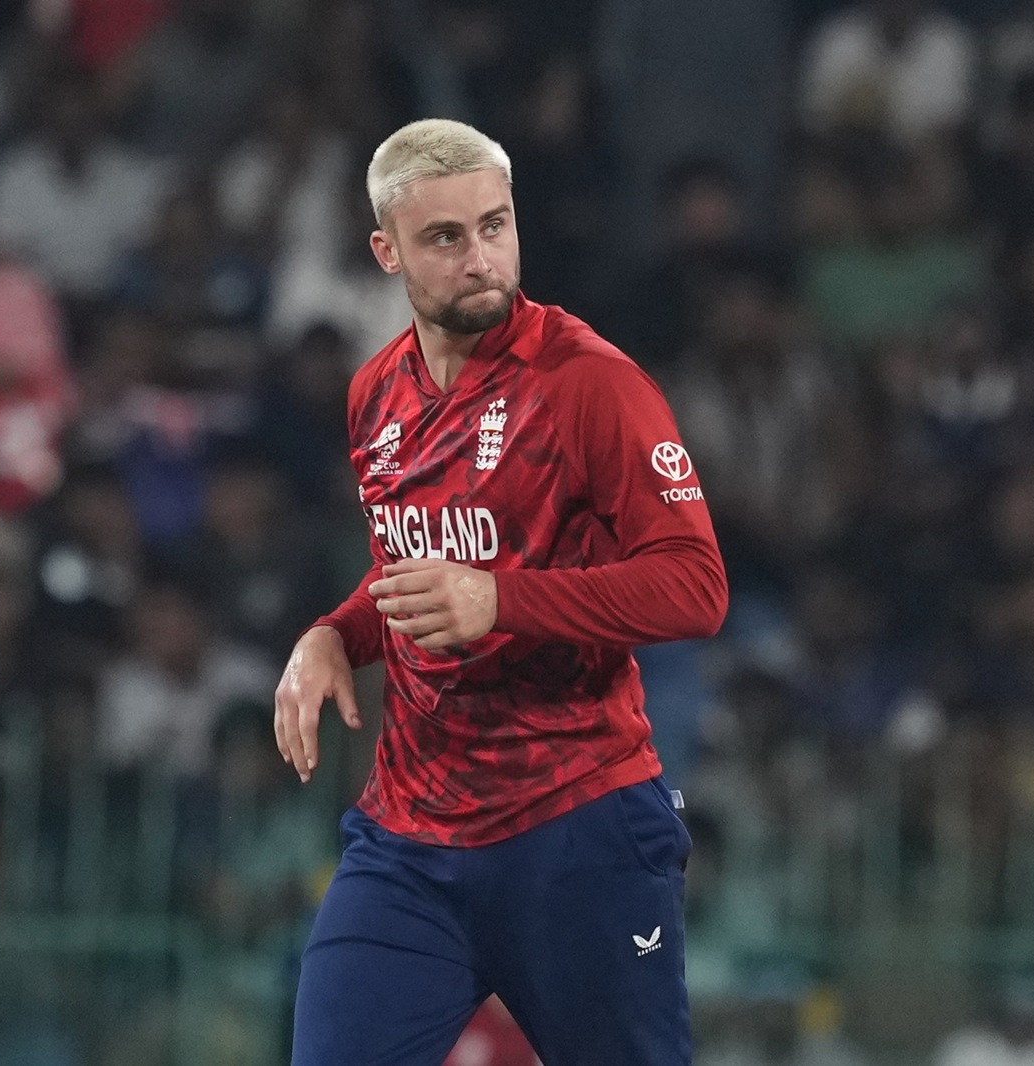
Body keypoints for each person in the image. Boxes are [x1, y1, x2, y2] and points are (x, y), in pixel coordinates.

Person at [272, 119, 728, 1065]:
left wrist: (504, 601)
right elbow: (413, 567)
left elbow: (696, 587)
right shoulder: (375, 397)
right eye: (446, 237)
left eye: (496, 225)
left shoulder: (590, 384)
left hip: (578, 825)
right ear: (385, 250)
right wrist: (334, 633)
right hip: (410, 838)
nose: (481, 258)